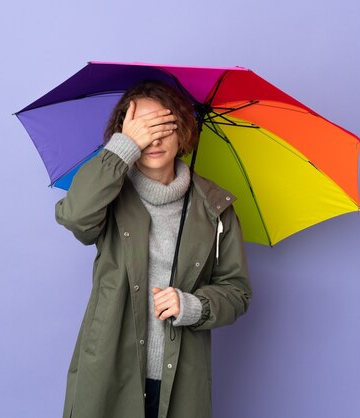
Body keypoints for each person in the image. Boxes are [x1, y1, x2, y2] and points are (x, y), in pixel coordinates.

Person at [55, 80, 252, 418]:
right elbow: (75, 216)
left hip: (182, 379)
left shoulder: (216, 208)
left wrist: (192, 305)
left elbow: (237, 291)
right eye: (143, 128)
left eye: (165, 125)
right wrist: (123, 148)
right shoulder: (109, 194)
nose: (154, 138)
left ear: (184, 131)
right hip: (109, 373)